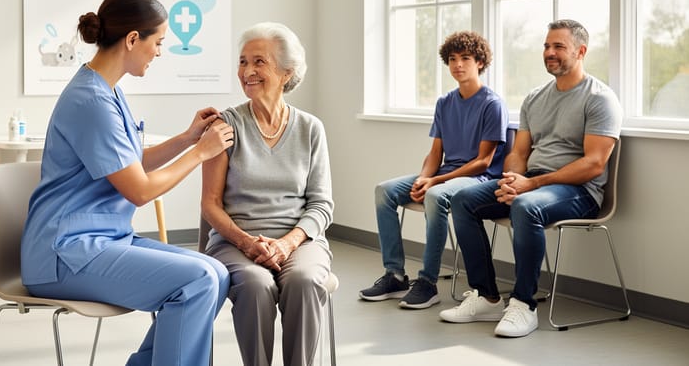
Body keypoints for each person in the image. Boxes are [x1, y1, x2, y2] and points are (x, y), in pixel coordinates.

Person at [20, 0, 234, 366]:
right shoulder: (91, 100)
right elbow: (139, 190)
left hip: (101, 239)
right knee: (197, 280)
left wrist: (187, 139)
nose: (160, 51)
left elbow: (132, 163)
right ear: (133, 39)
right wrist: (202, 153)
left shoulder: (107, 90)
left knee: (216, 274)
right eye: (159, 42)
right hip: (64, 253)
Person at [440, 19, 622, 338]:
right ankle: (487, 297)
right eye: (546, 46)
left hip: (578, 192)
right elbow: (519, 152)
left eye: (559, 46)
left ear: (581, 51)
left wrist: (531, 185)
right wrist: (513, 177)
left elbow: (594, 164)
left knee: (526, 206)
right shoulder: (535, 97)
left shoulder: (600, 98)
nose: (549, 52)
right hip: (532, 184)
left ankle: (524, 304)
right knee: (462, 200)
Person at [201, 22, 334, 366]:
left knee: (305, 281)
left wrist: (288, 243)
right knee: (256, 285)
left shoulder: (310, 129)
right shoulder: (224, 126)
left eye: (259, 62)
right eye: (243, 62)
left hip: (300, 241)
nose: (247, 71)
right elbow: (210, 205)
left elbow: (321, 205)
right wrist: (247, 242)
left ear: (287, 72)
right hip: (235, 243)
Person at [359, 31, 509, 309]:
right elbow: (435, 153)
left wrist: (435, 181)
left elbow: (483, 162)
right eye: (452, 59)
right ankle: (394, 274)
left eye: (465, 58)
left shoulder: (492, 104)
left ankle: (427, 283)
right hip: (444, 174)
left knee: (435, 196)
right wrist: (425, 176)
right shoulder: (444, 103)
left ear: (480, 62)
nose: (458, 65)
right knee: (384, 192)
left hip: (476, 179)